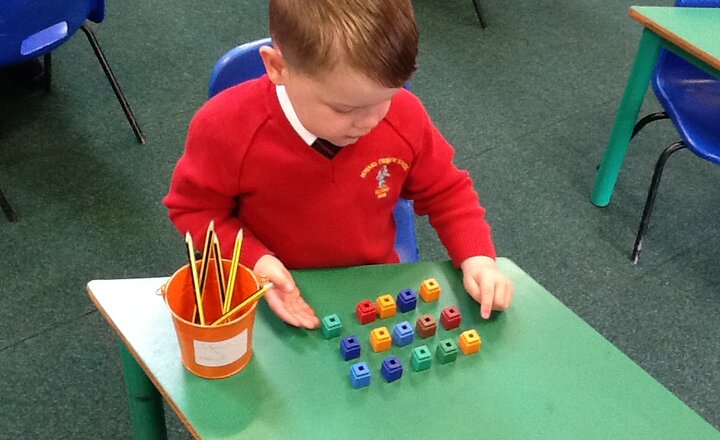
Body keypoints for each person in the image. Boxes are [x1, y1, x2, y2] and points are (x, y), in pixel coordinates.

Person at [164, 0, 513, 329]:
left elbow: (447, 192)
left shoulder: (404, 117)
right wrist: (256, 261)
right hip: (268, 289)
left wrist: (478, 259)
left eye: (386, 98)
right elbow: (195, 211)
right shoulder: (225, 128)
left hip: (372, 286)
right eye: (345, 109)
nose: (371, 121)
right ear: (278, 68)